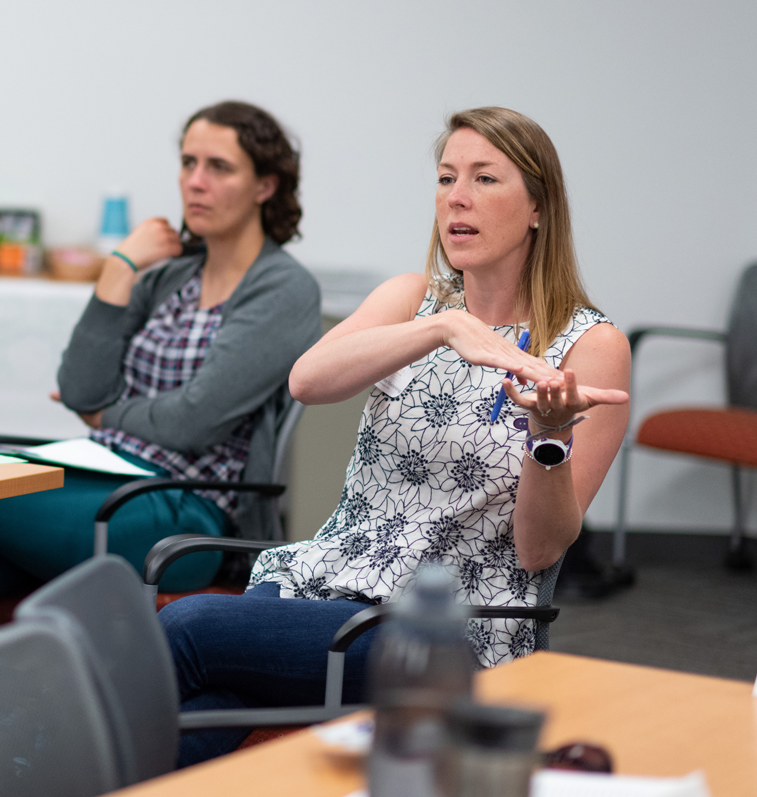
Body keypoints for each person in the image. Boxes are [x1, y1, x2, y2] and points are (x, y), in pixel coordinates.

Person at [160, 106, 630, 765]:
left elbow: (538, 550)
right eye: (445, 178)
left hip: (446, 631)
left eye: (485, 179)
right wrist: (440, 329)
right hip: (321, 591)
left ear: (538, 208)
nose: (456, 198)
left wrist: (548, 436)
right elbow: (308, 380)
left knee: (189, 625)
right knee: (201, 717)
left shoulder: (590, 345)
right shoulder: (414, 301)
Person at [0, 101, 321, 595]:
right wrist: (120, 267)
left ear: (265, 185)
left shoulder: (283, 288)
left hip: (183, 512)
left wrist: (106, 417)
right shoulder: (172, 274)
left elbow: (193, 421)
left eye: (219, 167)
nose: (195, 181)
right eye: (189, 163)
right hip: (100, 472)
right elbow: (81, 389)